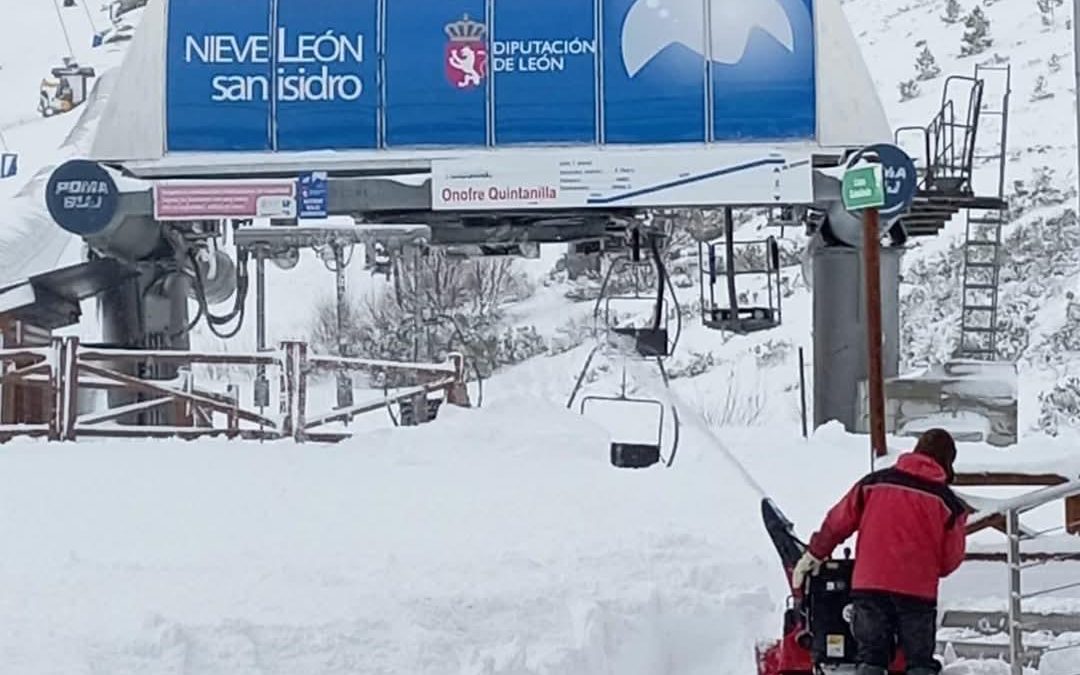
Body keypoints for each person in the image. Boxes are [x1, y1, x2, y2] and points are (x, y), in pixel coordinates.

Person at [790, 429, 968, 675]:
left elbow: (837, 522)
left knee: (871, 659)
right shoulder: (949, 504)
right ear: (947, 463)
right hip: (917, 594)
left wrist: (815, 554)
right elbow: (950, 561)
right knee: (918, 662)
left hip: (869, 588)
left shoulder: (873, 484)